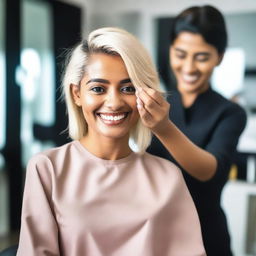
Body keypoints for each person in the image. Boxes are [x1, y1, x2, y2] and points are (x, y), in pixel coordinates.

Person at [17, 27, 206, 256]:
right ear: (77, 94)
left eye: (128, 88)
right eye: (98, 88)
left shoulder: (167, 175)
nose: (114, 102)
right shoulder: (47, 168)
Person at [135, 5, 247, 256]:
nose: (189, 67)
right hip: (153, 232)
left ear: (219, 56)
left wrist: (163, 128)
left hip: (206, 235)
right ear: (170, 50)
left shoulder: (230, 112)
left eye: (202, 57)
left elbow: (211, 171)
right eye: (181, 54)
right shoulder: (155, 102)